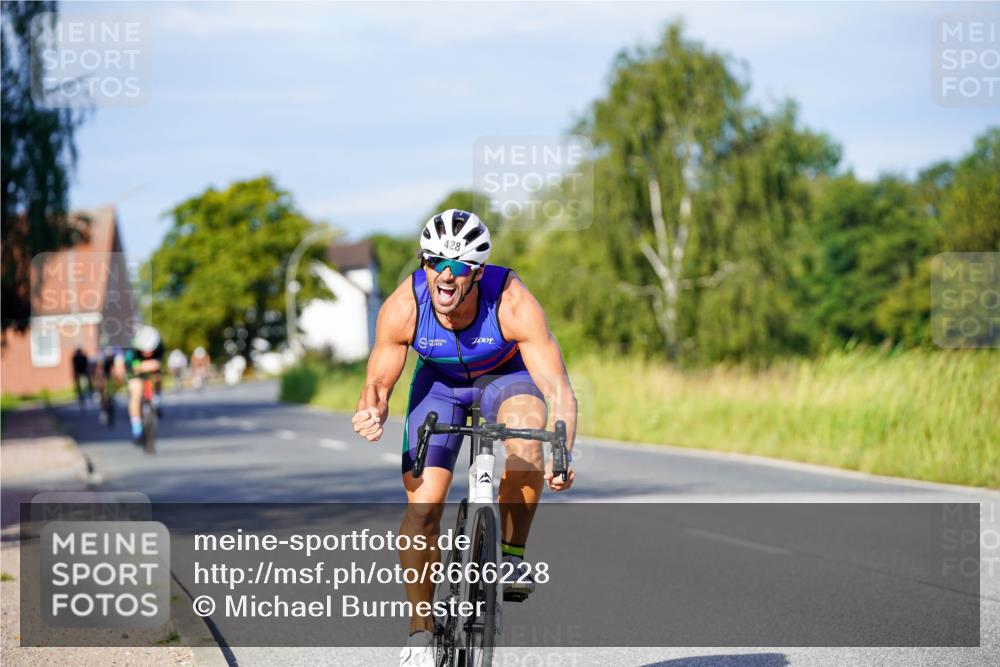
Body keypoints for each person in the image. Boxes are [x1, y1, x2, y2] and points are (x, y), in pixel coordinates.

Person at [351, 209, 577, 667]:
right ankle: (420, 629)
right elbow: (377, 382)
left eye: (458, 267)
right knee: (424, 505)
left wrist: (562, 448)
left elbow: (558, 390)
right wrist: (370, 410)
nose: (445, 275)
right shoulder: (405, 305)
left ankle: (510, 555)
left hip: (505, 376)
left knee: (528, 441)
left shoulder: (512, 303)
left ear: (476, 272)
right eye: (434, 262)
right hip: (439, 384)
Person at [124, 325, 165, 443]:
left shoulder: (160, 347)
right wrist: (141, 367)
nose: (148, 353)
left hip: (152, 370)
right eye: (145, 351)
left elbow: (159, 364)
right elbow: (130, 368)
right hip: (135, 371)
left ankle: (156, 398)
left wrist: (154, 366)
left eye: (151, 350)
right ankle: (136, 427)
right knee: (135, 391)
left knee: (157, 378)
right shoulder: (132, 350)